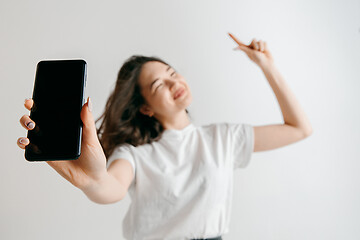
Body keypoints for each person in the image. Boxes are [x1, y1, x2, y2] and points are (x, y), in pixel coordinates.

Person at [17, 33, 313, 240]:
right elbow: (112, 188)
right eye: (159, 85)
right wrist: (92, 181)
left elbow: (299, 129)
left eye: (172, 73)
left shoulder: (223, 138)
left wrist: (267, 65)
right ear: (145, 107)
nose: (174, 82)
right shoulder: (135, 154)